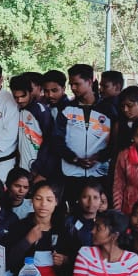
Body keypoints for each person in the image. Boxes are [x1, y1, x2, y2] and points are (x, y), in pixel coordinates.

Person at [7, 181, 78, 276]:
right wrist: (27, 241)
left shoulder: (65, 229)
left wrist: (65, 260)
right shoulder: (20, 227)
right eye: (38, 198)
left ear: (56, 202)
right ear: (32, 200)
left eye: (49, 199)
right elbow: (8, 262)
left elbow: (78, 259)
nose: (43, 204)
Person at [51, 64, 114, 204]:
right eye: (71, 84)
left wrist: (99, 157)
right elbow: (57, 140)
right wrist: (74, 159)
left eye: (77, 84)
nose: (73, 88)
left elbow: (115, 142)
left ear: (90, 82)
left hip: (99, 173)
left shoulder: (108, 110)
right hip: (71, 173)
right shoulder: (66, 109)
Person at [8, 75, 44, 175]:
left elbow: (49, 141)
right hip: (21, 168)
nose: (19, 100)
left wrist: (41, 168)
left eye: (23, 96)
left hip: (38, 169)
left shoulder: (40, 111)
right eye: (16, 97)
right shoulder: (16, 109)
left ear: (30, 92)